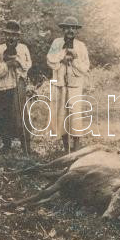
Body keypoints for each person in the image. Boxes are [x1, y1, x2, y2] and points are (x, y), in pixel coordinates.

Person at [46, 16, 90, 152]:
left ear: (76, 30)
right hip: (60, 84)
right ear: (63, 29)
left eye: (73, 28)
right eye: (67, 28)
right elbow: (50, 60)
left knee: (75, 114)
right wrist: (62, 57)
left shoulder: (81, 46)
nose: (70, 30)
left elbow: (85, 67)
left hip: (75, 85)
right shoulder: (57, 43)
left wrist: (74, 59)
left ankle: (76, 147)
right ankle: (66, 147)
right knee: (62, 114)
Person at [0, 20, 32, 154]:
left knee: (20, 115)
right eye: (8, 34)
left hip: (17, 85)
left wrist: (17, 61)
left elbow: (28, 65)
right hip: (2, 86)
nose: (11, 37)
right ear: (4, 35)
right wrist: (7, 65)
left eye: (14, 35)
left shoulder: (23, 49)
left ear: (18, 36)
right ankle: (6, 144)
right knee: (3, 115)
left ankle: (26, 145)